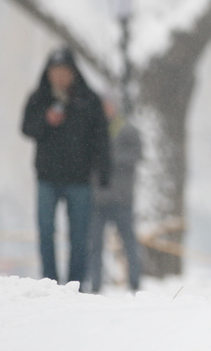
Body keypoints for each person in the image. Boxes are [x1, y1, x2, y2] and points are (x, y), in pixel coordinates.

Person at [21, 46, 111, 290]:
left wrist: (104, 171)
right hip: (47, 178)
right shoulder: (39, 99)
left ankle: (76, 285)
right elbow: (26, 128)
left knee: (80, 236)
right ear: (48, 73)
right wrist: (46, 121)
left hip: (79, 179)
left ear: (73, 73)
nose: (59, 76)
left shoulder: (89, 100)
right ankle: (50, 283)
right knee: (46, 231)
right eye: (55, 71)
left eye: (64, 71)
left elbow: (101, 138)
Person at [87, 95, 143, 293]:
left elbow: (136, 156)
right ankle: (95, 282)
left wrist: (108, 158)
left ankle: (135, 282)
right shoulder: (93, 130)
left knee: (129, 242)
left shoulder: (129, 130)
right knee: (94, 244)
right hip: (98, 198)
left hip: (122, 198)